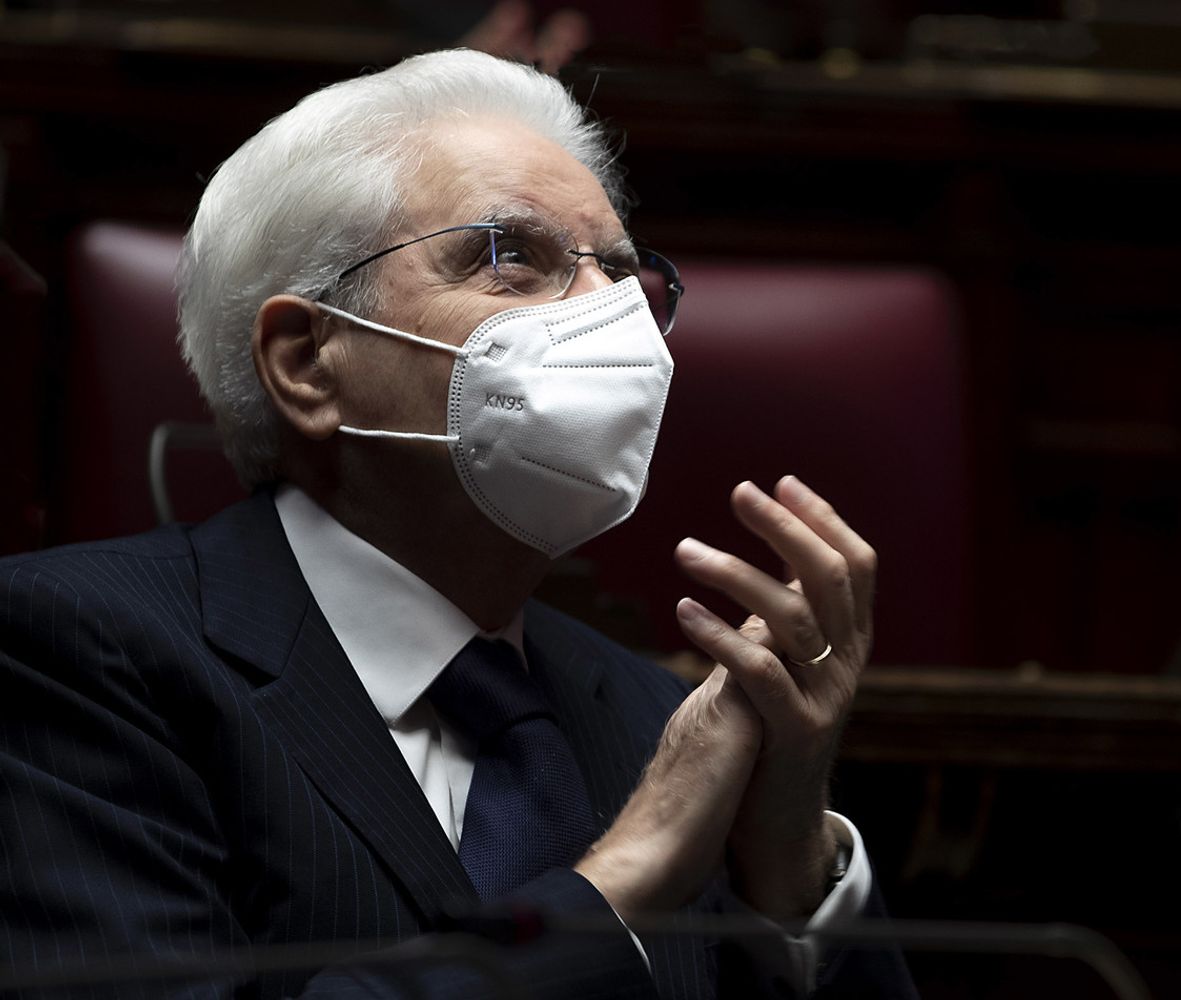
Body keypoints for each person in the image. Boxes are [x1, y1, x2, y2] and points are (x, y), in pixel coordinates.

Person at [0, 50, 916, 999]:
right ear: (308, 360)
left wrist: (791, 868)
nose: (614, 324)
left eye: (622, 273)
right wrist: (625, 878)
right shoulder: (71, 654)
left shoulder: (665, 721)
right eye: (513, 255)